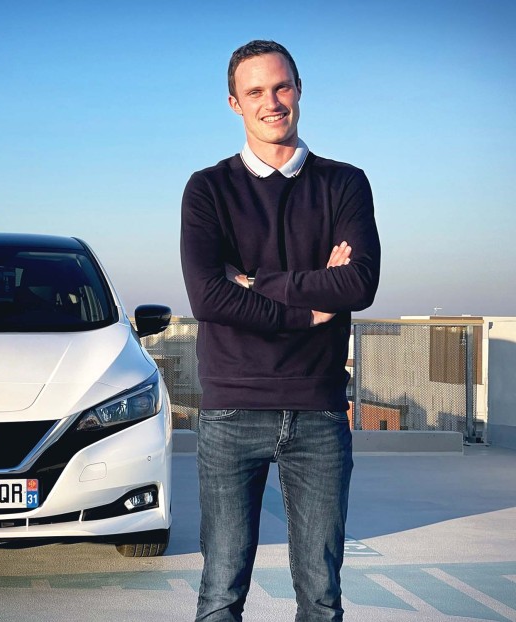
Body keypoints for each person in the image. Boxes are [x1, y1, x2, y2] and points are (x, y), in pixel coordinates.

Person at [180, 40, 381, 621]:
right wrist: (309, 304)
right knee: (221, 592)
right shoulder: (208, 189)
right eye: (255, 92)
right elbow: (207, 296)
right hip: (230, 411)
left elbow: (358, 284)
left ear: (298, 90)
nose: (271, 102)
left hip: (318, 412)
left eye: (281, 87)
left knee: (321, 596)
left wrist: (254, 283)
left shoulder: (345, 183)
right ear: (234, 103)